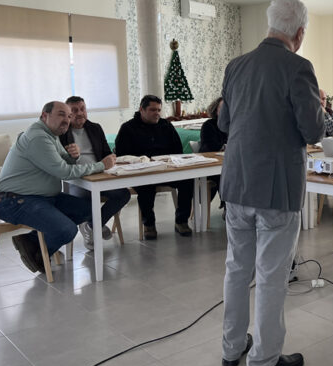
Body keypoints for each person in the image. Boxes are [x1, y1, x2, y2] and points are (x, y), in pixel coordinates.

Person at [218, 0, 324, 366]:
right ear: (299, 33)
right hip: (277, 188)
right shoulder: (298, 67)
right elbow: (313, 131)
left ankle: (232, 347)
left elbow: (225, 122)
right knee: (271, 275)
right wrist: (321, 109)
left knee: (236, 268)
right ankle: (263, 361)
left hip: (237, 183)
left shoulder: (236, 65)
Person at [0, 102, 115, 273]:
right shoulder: (38, 138)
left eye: (68, 116)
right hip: (15, 200)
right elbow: (64, 172)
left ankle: (31, 242)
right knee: (66, 230)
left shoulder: (51, 134)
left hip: (43, 197)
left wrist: (74, 157)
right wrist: (101, 165)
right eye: (61, 114)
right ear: (45, 115)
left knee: (91, 210)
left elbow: (63, 162)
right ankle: (37, 252)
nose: (66, 120)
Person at [115, 95, 195, 239]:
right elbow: (121, 156)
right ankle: (149, 224)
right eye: (152, 110)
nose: (157, 113)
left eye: (158, 110)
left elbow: (178, 150)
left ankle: (181, 221)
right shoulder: (128, 128)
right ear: (141, 110)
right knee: (146, 186)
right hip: (141, 171)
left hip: (166, 169)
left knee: (187, 181)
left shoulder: (166, 125)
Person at [60, 96, 130, 251]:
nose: (80, 113)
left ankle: (92, 225)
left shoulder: (95, 128)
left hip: (98, 174)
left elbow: (106, 151)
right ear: (68, 113)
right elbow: (61, 161)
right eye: (74, 110)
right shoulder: (62, 132)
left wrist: (111, 157)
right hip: (77, 178)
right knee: (83, 199)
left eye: (82, 109)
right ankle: (95, 225)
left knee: (123, 194)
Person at [199, 97, 227, 207]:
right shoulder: (209, 125)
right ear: (216, 110)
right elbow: (210, 146)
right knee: (227, 175)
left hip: (227, 164)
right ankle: (228, 207)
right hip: (210, 166)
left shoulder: (234, 125)